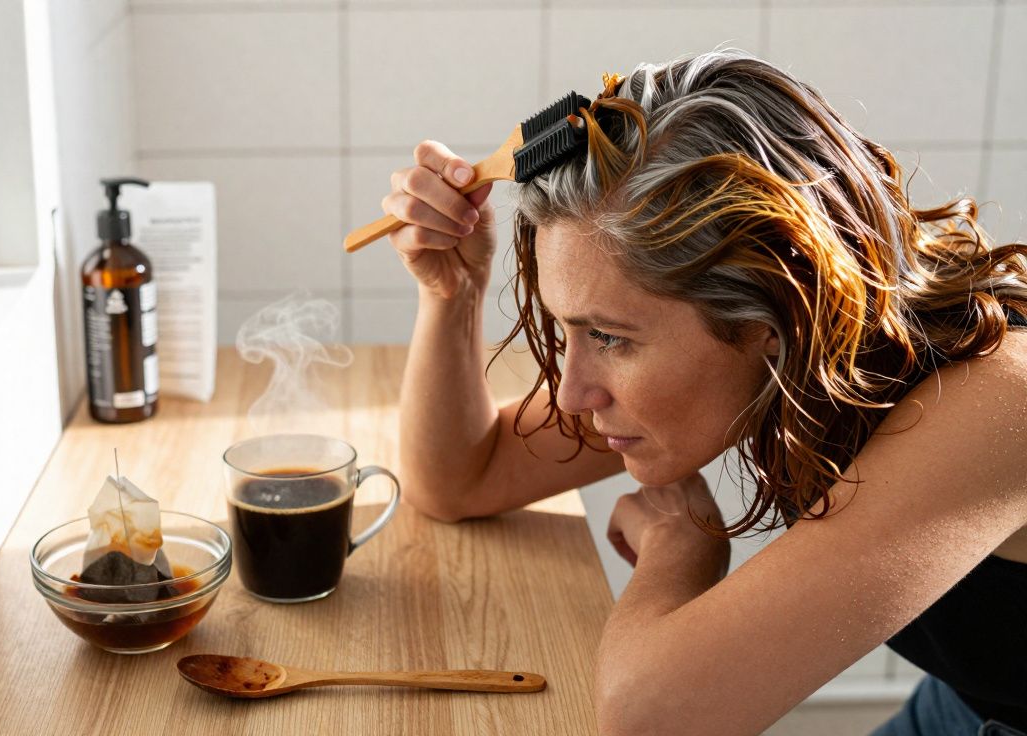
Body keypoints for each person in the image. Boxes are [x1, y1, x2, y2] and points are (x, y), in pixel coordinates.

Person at [382, 48, 1027, 736]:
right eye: (572, 331)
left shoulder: (1001, 402)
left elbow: (654, 716)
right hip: (976, 701)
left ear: (773, 313)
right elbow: (459, 478)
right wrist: (452, 291)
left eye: (610, 338)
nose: (571, 395)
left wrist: (677, 548)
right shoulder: (805, 347)